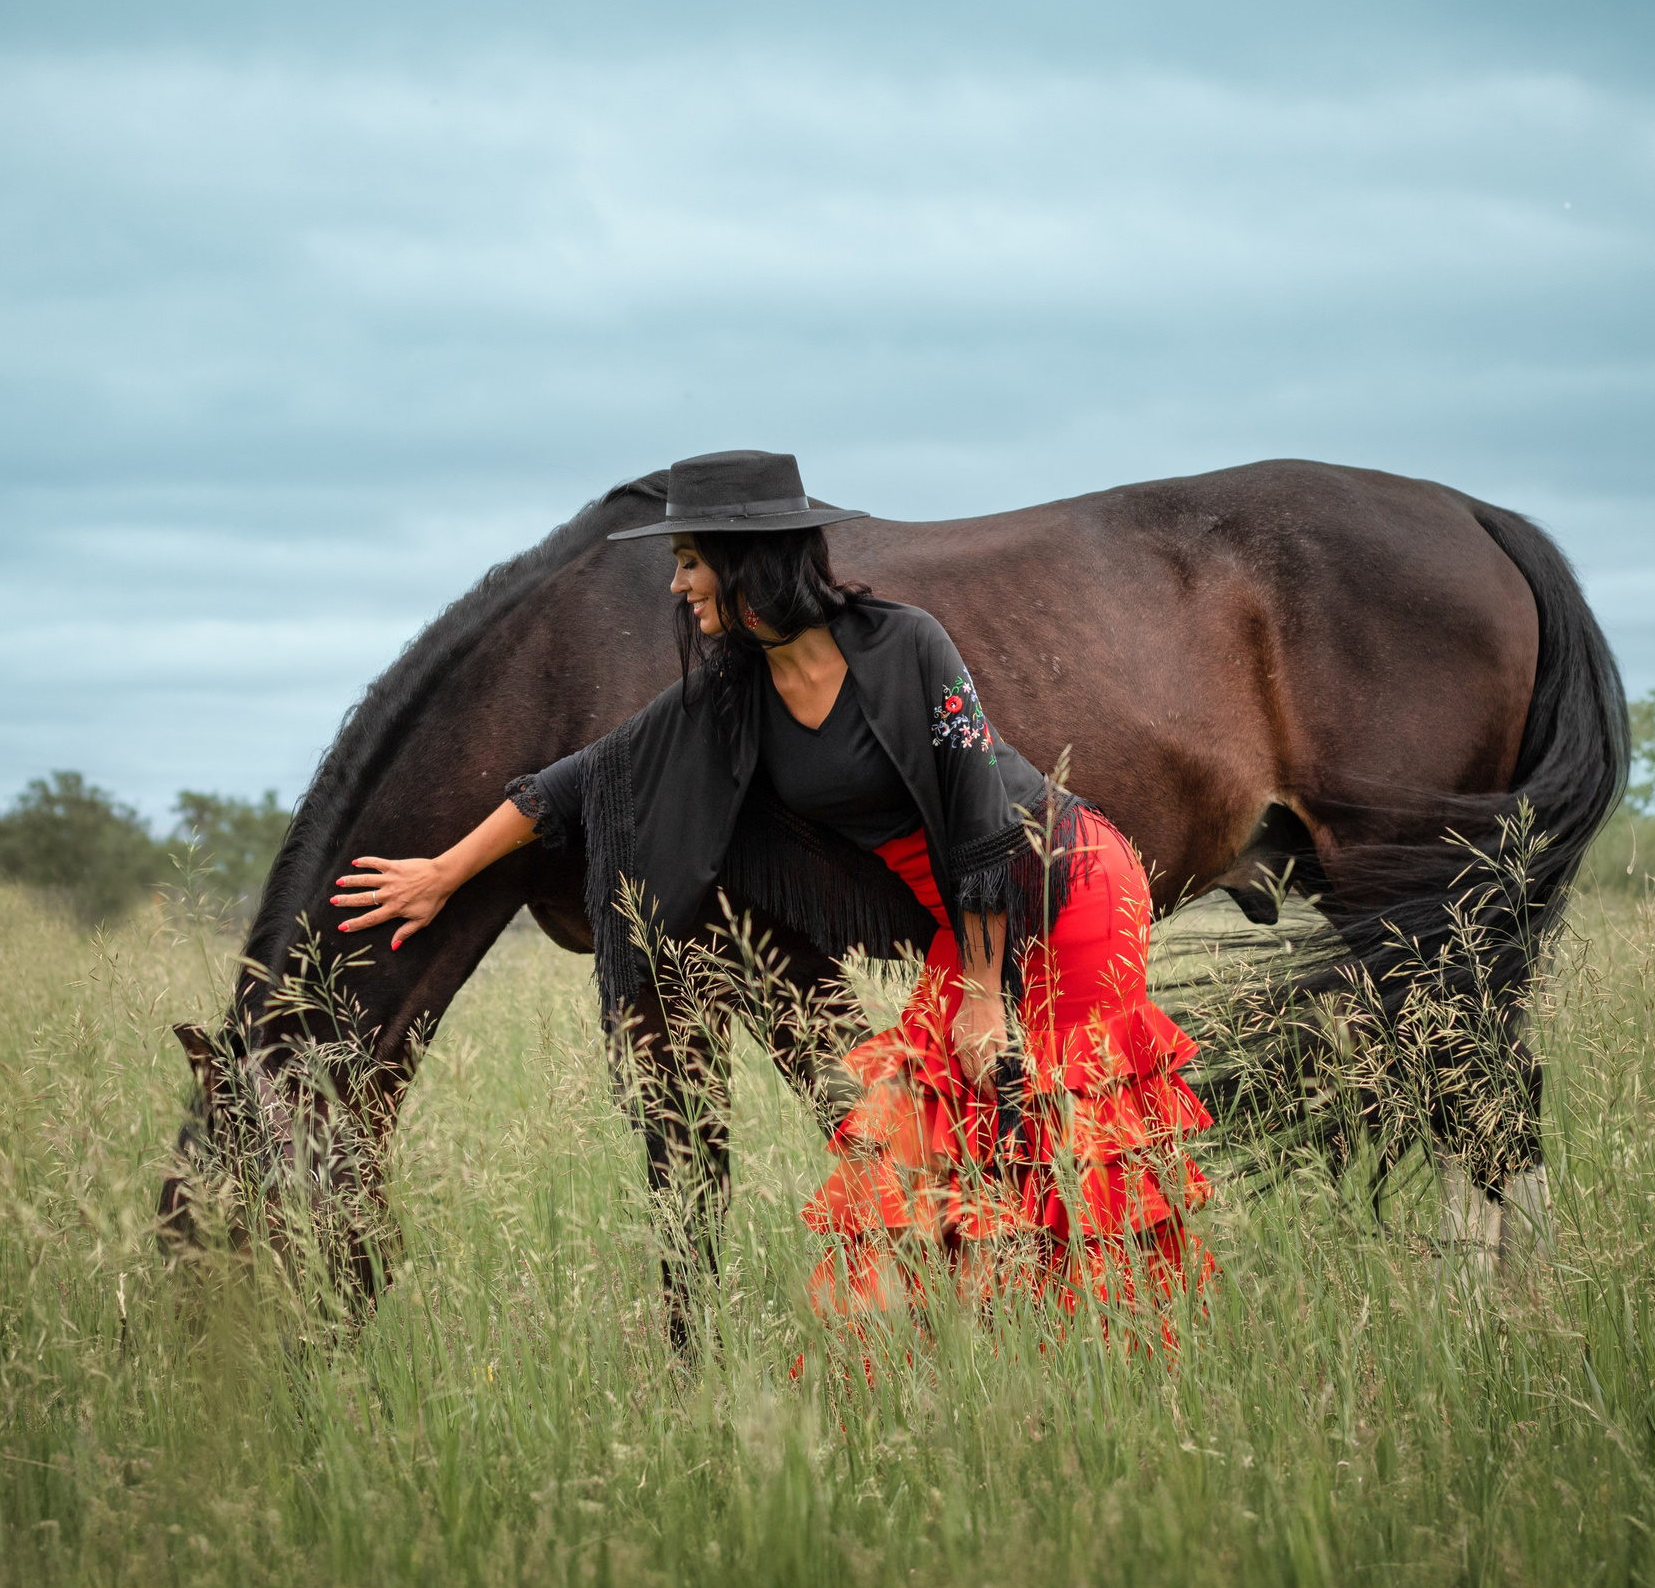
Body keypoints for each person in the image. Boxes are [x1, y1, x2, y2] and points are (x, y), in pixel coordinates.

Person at [330, 449, 1210, 1326]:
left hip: (1069, 885)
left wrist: (981, 994)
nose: (676, 586)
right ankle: (938, 1381)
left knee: (1081, 1158)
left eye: (688, 562)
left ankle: (1118, 1364)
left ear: (743, 559)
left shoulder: (907, 642)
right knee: (905, 1172)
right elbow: (586, 776)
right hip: (966, 918)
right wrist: (443, 870)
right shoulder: (737, 688)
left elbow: (981, 816)